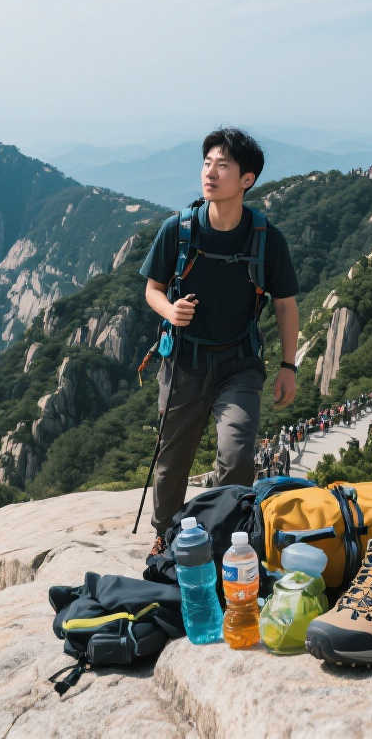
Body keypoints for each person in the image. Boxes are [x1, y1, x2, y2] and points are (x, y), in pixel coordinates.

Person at [140, 128, 300, 555]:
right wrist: (170, 311)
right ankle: (165, 535)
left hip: (240, 363)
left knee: (237, 455)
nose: (210, 172)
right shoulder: (178, 230)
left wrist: (289, 366)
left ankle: (228, 535)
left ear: (247, 179)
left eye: (222, 165)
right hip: (184, 362)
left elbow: (286, 304)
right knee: (172, 459)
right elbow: (152, 289)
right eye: (207, 163)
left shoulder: (266, 238)